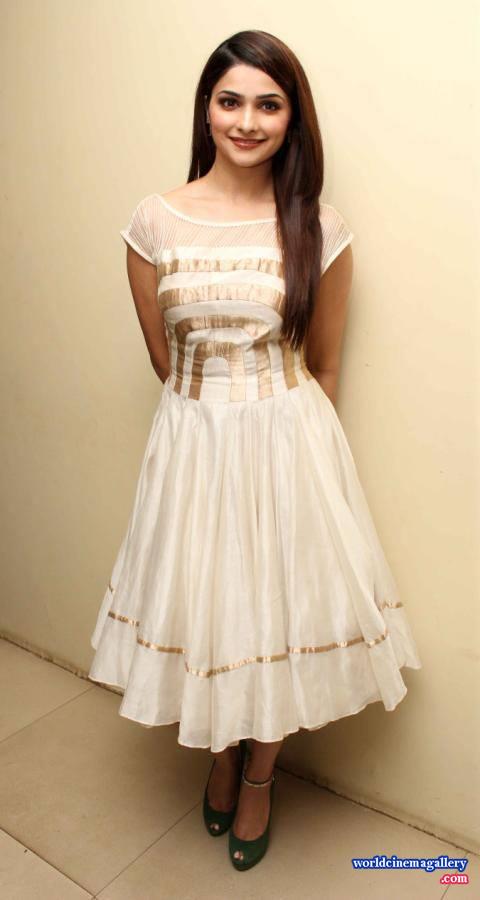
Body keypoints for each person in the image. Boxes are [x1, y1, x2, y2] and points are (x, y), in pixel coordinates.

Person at [88, 29, 422, 871]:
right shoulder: (153, 221)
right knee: (209, 603)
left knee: (274, 605)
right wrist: (214, 422)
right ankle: (219, 751)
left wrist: (296, 457)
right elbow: (165, 360)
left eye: (268, 105)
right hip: (193, 442)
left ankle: (259, 775)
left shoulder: (319, 227)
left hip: (289, 441)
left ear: (291, 119)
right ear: (206, 110)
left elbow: (326, 363)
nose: (247, 121)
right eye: (230, 100)